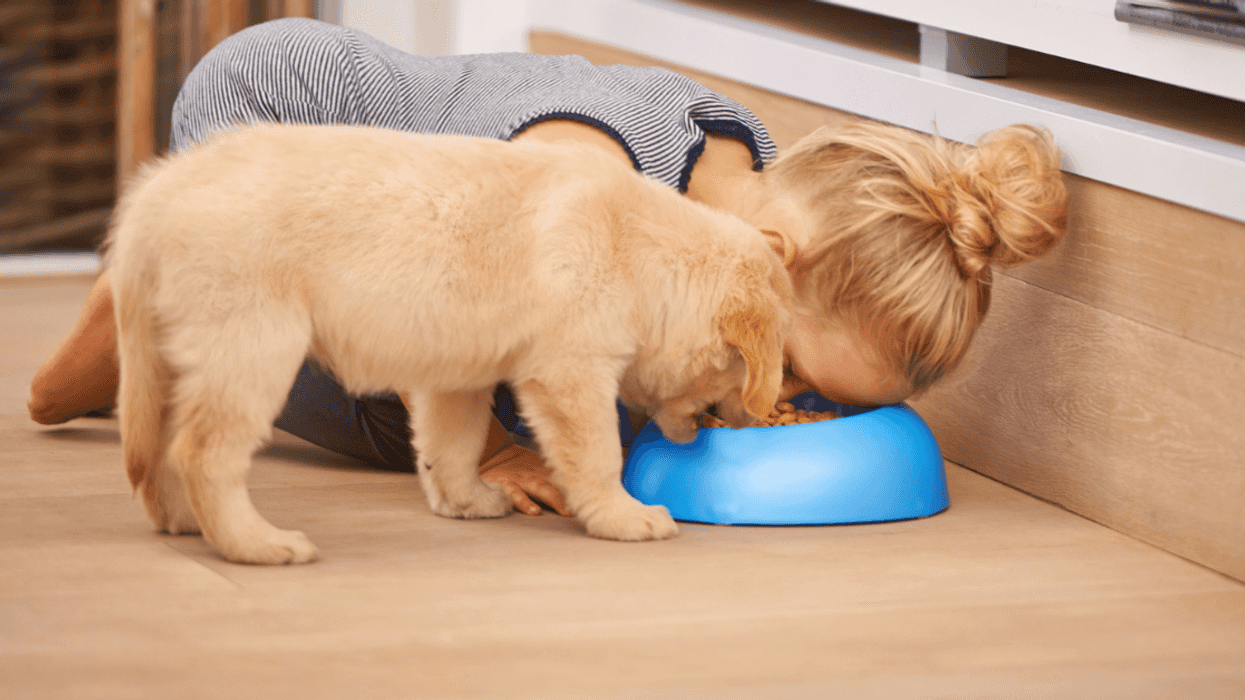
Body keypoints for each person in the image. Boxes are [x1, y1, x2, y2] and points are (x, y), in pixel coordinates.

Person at [27, 17, 1067, 517]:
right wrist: (490, 442)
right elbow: (449, 276)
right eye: (789, 371)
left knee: (524, 408)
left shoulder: (745, 194)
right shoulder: (588, 168)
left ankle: (167, 302)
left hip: (423, 291)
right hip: (287, 125)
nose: (771, 404)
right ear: (774, 267)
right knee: (405, 397)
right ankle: (142, 307)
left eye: (813, 407)